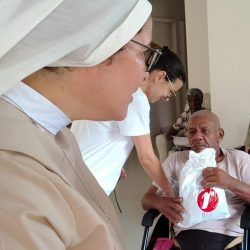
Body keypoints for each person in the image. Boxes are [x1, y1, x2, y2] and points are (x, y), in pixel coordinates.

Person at [0, 0, 154, 249]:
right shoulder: (10, 176)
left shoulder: (59, 135)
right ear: (95, 45)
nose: (145, 73)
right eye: (143, 53)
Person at [142, 110, 250, 250]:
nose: (198, 136)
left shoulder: (240, 160)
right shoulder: (176, 161)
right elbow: (146, 200)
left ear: (219, 135)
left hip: (229, 240)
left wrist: (229, 183)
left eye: (204, 131)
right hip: (184, 239)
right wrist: (161, 202)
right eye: (192, 132)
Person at [71, 45, 186, 196]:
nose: (167, 98)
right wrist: (171, 193)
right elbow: (147, 158)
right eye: (170, 91)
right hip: (88, 186)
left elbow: (97, 130)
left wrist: (115, 162)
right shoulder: (136, 98)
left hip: (72, 174)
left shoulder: (117, 86)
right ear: (159, 76)